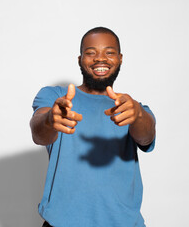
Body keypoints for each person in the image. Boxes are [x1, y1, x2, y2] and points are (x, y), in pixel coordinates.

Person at [30, 27, 156, 227]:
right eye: (91, 53)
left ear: (120, 58)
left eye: (109, 52)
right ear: (80, 59)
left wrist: (139, 114)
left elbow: (146, 137)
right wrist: (50, 120)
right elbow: (39, 133)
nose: (100, 59)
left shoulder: (131, 107)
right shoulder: (55, 97)